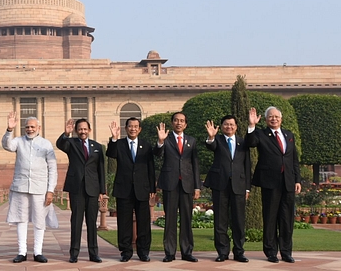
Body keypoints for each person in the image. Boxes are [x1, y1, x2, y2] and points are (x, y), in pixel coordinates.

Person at [247, 107, 301, 263]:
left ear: (281, 119)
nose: (274, 119)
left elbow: (293, 159)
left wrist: (297, 180)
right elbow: (251, 143)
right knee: (270, 218)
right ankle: (271, 252)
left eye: (276, 116)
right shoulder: (261, 134)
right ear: (265, 120)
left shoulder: (288, 135)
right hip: (270, 182)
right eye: (270, 117)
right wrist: (251, 126)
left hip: (288, 182)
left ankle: (286, 252)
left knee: (287, 219)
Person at [2, 112, 58, 264]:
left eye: (33, 127)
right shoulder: (19, 141)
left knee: (39, 220)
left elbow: (52, 168)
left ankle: (38, 252)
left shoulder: (46, 144)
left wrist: (50, 190)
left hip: (40, 187)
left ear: (39, 127)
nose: (30, 129)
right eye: (27, 127)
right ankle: (22, 252)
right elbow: (7, 145)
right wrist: (9, 129)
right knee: (21, 219)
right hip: (21, 186)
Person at [56, 118, 105, 263]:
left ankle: (94, 253)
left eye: (85, 129)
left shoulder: (97, 146)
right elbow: (60, 144)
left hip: (93, 188)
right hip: (76, 187)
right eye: (80, 129)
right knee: (76, 221)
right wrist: (66, 133)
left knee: (92, 222)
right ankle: (74, 254)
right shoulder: (71, 143)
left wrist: (102, 190)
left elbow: (101, 169)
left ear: (89, 130)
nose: (82, 131)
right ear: (76, 131)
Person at [107, 118, 155, 262]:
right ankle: (125, 251)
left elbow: (150, 168)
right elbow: (110, 154)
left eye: (136, 126)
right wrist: (114, 139)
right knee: (124, 222)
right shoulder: (119, 144)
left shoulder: (146, 145)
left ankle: (143, 251)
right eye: (130, 126)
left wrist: (152, 188)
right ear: (126, 128)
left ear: (139, 129)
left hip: (142, 189)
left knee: (144, 222)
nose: (133, 129)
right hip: (124, 189)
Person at [204, 116, 251, 263]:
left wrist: (247, 188)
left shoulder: (243, 142)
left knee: (238, 220)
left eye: (231, 124)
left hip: (239, 185)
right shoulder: (217, 140)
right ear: (222, 126)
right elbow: (210, 146)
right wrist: (211, 137)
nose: (228, 127)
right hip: (220, 185)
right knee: (220, 221)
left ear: (236, 127)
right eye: (226, 124)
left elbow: (247, 165)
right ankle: (222, 252)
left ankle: (239, 252)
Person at [155, 112, 200, 262]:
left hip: (187, 184)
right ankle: (169, 252)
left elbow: (195, 164)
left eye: (182, 121)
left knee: (187, 219)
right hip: (170, 183)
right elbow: (158, 154)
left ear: (185, 124)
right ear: (172, 123)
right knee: (170, 220)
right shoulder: (165, 139)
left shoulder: (191, 141)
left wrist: (197, 187)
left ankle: (187, 251)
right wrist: (160, 142)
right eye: (176, 120)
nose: (179, 123)